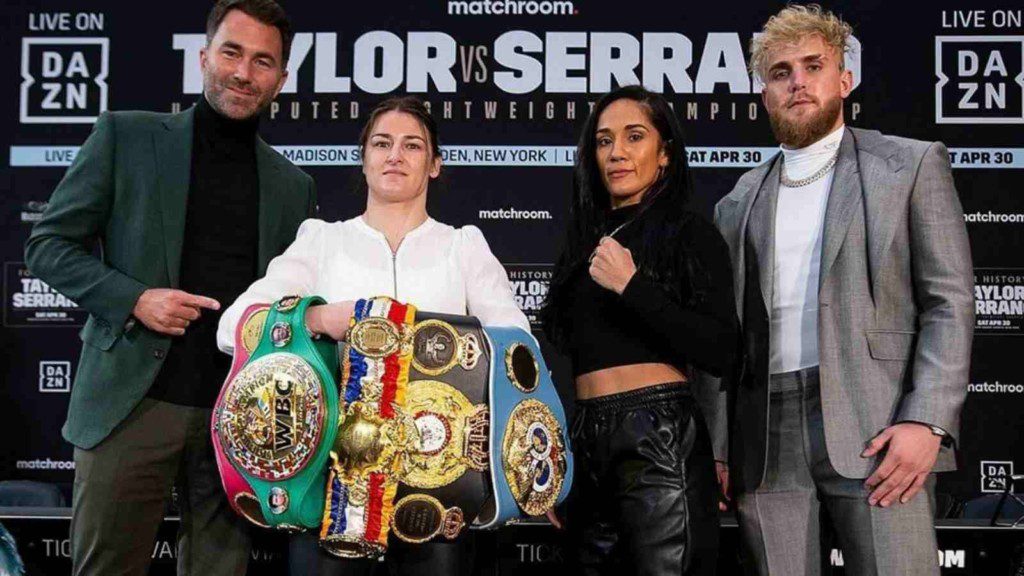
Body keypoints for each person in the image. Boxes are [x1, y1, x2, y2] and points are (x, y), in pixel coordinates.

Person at [23, 1, 313, 574]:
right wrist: (134, 297)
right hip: (132, 403)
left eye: (262, 62)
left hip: (239, 417)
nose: (242, 72)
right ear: (204, 57)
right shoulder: (125, 136)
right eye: (231, 52)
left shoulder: (293, 185)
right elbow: (48, 245)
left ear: (281, 79)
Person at [216, 95, 529, 576]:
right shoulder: (322, 240)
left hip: (437, 491)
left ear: (435, 165)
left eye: (412, 145)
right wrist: (315, 319)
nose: (395, 155)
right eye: (381, 143)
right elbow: (232, 328)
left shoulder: (462, 246)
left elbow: (517, 345)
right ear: (363, 161)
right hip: (331, 489)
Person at [713, 5, 974, 575]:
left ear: (844, 79)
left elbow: (948, 302)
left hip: (878, 424)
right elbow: (722, 338)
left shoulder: (909, 165)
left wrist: (926, 420)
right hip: (765, 434)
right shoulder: (737, 200)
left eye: (813, 65)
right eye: (781, 72)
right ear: (764, 93)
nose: (797, 82)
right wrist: (720, 445)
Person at [540, 85, 738, 576]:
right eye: (604, 141)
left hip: (659, 437)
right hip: (586, 440)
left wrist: (632, 286)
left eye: (634, 137)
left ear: (665, 153)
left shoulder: (689, 233)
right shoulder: (581, 244)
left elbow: (722, 350)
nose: (617, 153)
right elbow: (564, 357)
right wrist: (549, 462)